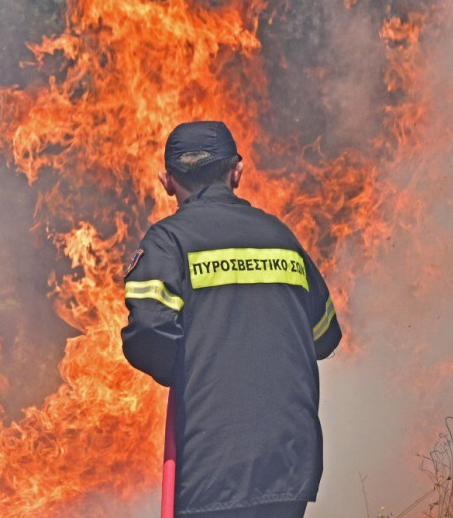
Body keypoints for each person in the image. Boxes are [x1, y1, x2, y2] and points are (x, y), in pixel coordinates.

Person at [120, 121, 342, 518]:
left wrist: (191, 367)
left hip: (213, 466)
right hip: (289, 464)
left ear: (167, 181)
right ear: (236, 172)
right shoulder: (282, 238)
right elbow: (324, 336)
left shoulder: (167, 242)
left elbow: (149, 333)